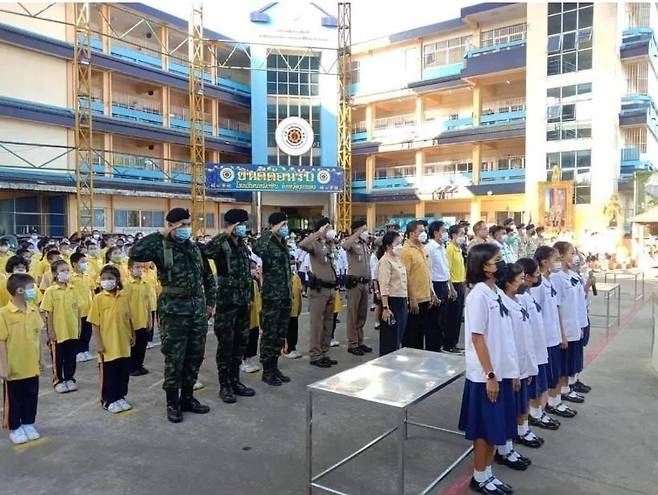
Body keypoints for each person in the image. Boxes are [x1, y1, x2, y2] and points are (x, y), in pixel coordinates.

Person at [130, 207, 216, 423]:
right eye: (182, 225)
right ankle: (172, 402)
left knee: (194, 355)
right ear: (171, 226)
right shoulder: (161, 247)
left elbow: (207, 277)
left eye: (188, 224)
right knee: (175, 358)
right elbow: (135, 253)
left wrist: (210, 304)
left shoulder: (195, 249)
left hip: (197, 309)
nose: (187, 228)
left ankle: (188, 398)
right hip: (174, 310)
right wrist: (160, 234)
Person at [458, 243, 517, 494]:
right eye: (497, 260)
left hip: (501, 371)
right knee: (485, 429)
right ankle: (479, 476)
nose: (501, 263)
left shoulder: (495, 292)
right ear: (484, 267)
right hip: (486, 375)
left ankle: (488, 472)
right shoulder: (478, 296)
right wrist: (490, 375)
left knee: (497, 427)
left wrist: (512, 372)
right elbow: (477, 338)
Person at [202, 208, 255, 403]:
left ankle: (235, 380)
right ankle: (225, 385)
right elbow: (205, 252)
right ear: (233, 225)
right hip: (227, 302)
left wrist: (249, 296)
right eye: (241, 224)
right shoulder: (220, 243)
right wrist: (224, 233)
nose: (244, 228)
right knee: (226, 344)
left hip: (242, 301)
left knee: (241, 342)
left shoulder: (241, 244)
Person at [495, 263, 538, 469]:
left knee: (518, 407)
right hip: (509, 369)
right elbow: (506, 342)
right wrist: (514, 373)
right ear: (508, 282)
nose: (524, 281)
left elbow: (525, 338)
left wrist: (528, 367)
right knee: (508, 410)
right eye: (520, 278)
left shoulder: (519, 300)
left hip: (521, 365)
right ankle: (504, 450)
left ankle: (510, 446)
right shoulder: (502, 304)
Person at [532, 246, 576, 420]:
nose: (558, 262)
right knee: (540, 379)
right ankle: (535, 412)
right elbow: (536, 315)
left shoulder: (548, 281)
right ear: (544, 262)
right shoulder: (538, 285)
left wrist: (561, 334)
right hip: (543, 340)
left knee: (553, 374)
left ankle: (554, 401)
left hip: (553, 337)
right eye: (555, 258)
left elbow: (555, 309)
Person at [0, 273, 44, 444]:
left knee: (31, 395)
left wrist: (40, 358)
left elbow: (37, 335)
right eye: (31, 288)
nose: (34, 291)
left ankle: (28, 423)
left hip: (31, 364)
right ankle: (14, 427)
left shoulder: (33, 309)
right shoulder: (4, 313)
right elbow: (1, 342)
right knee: (14, 398)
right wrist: (3, 366)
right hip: (14, 366)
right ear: (19, 290)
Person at [253, 212, 293, 386]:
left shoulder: (282, 242)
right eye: (283, 225)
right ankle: (267, 370)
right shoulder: (267, 241)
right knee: (269, 333)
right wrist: (272, 231)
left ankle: (275, 366)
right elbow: (257, 248)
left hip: (284, 295)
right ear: (276, 225)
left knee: (280, 333)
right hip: (272, 296)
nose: (285, 228)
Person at [516, 257, 555, 433]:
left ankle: (536, 413)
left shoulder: (529, 294)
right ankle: (522, 428)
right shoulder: (520, 298)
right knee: (527, 393)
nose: (539, 277)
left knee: (539, 387)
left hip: (539, 348)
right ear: (526, 276)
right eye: (536, 273)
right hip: (529, 352)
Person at [88, 265, 133, 414]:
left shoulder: (124, 296)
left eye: (110, 278)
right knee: (109, 374)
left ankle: (120, 396)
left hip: (123, 344)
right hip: (108, 345)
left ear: (117, 280)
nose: (107, 281)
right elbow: (95, 323)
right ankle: (109, 400)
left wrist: (132, 334)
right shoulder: (98, 299)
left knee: (123, 372)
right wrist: (98, 343)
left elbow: (129, 318)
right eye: (104, 279)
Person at [299, 218, 338, 368]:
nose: (330, 230)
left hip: (330, 288)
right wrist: (318, 233)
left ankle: (324, 352)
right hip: (319, 289)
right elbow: (302, 244)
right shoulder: (314, 244)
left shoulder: (330, 244)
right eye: (328, 227)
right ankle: (315, 355)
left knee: (329, 322)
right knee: (317, 324)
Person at [552, 241, 586, 406]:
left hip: (576, 324)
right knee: (563, 364)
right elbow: (557, 306)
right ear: (561, 255)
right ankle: (557, 396)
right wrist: (562, 333)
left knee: (571, 362)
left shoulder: (572, 275)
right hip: (565, 327)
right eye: (571, 253)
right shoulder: (556, 278)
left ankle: (566, 388)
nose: (575, 256)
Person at [40, 259, 80, 394]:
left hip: (72, 330)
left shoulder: (73, 289)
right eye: (62, 271)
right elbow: (49, 314)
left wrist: (78, 327)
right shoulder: (50, 291)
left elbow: (77, 311)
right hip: (58, 331)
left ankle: (70, 378)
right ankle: (58, 380)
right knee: (58, 357)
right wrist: (51, 331)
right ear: (55, 274)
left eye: (67, 270)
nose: (66, 273)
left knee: (71, 356)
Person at [400, 220, 438, 349]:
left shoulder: (422, 248)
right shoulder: (406, 251)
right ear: (411, 234)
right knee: (412, 335)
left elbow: (426, 272)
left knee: (421, 332)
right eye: (420, 231)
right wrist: (412, 298)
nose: (424, 233)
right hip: (415, 299)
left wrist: (431, 292)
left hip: (425, 297)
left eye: (424, 231)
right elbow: (406, 276)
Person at [341, 220, 372, 356]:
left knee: (362, 314)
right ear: (356, 230)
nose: (365, 232)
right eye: (362, 229)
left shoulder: (365, 243)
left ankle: (360, 341)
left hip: (365, 283)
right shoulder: (351, 242)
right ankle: (352, 343)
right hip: (354, 283)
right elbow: (345, 246)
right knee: (353, 314)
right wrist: (357, 233)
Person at [376, 231, 408, 356]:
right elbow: (384, 285)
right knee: (390, 338)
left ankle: (393, 362)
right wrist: (385, 307)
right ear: (389, 246)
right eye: (398, 243)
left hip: (401, 301)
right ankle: (386, 364)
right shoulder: (385, 261)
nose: (401, 246)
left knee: (398, 335)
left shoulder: (398, 259)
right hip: (391, 302)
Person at [126, 259, 154, 377]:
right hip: (132, 321)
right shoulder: (127, 285)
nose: (140, 270)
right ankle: (132, 367)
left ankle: (139, 365)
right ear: (130, 269)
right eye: (137, 267)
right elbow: (125, 305)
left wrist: (150, 319)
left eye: (141, 267)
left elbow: (147, 303)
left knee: (142, 344)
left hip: (143, 320)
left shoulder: (145, 284)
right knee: (133, 345)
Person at [426, 221, 451, 352]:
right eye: (443, 231)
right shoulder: (430, 248)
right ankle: (433, 348)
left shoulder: (441, 247)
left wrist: (448, 286)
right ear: (436, 233)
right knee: (434, 320)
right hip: (435, 285)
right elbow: (429, 271)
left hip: (443, 283)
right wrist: (432, 292)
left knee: (442, 319)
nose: (445, 234)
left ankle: (439, 346)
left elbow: (445, 268)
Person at [69, 252, 95, 363]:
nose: (85, 264)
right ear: (74, 264)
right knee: (78, 331)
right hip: (77, 310)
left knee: (87, 331)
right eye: (82, 262)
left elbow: (92, 290)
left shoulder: (87, 276)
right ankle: (77, 351)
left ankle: (85, 349)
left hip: (88, 308)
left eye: (86, 262)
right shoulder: (71, 278)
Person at [445, 224, 467, 353]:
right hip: (454, 285)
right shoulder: (450, 249)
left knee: (458, 317)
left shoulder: (458, 249)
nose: (463, 237)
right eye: (461, 234)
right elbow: (447, 270)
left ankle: (454, 342)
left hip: (461, 283)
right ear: (453, 235)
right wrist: (451, 288)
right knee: (452, 317)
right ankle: (448, 344)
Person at [241, 260, 262, 374]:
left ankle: (250, 359)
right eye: (252, 268)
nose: (255, 270)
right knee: (246, 339)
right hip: (247, 318)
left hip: (255, 318)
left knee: (254, 338)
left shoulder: (254, 282)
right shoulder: (245, 283)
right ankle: (244, 361)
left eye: (255, 268)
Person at [283, 257, 303, 359]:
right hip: (287, 309)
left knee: (294, 329)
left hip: (295, 310)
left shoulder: (296, 277)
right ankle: (287, 349)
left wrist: (299, 308)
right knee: (287, 329)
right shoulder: (283, 277)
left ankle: (293, 347)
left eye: (293, 264)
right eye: (290, 264)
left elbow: (299, 292)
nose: (292, 266)